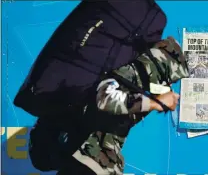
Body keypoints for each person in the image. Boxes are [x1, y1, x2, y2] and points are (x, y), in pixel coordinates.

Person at [29, 37, 189, 175]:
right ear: (161, 67)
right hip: (89, 161)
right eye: (170, 77)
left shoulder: (143, 83)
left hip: (94, 161)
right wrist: (153, 103)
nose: (169, 82)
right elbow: (105, 97)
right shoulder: (128, 72)